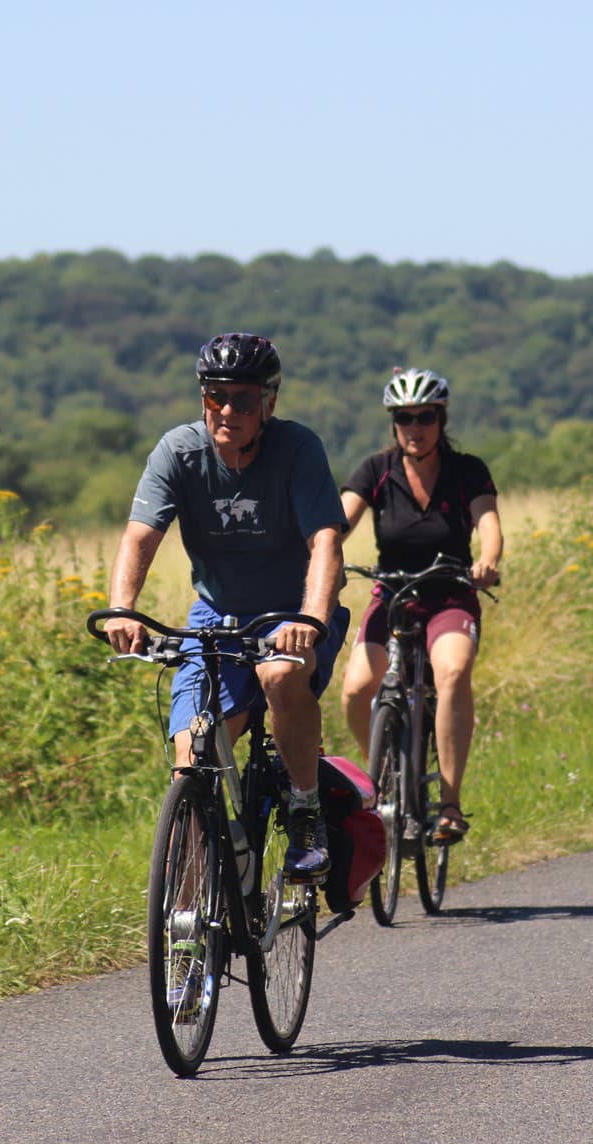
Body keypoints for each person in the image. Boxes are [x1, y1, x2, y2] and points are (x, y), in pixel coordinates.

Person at [104, 333, 350, 877]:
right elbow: (140, 536)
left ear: (269, 403)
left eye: (243, 399)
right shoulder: (178, 451)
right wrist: (122, 607)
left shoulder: (297, 449)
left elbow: (326, 543)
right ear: (203, 400)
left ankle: (306, 811)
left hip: (294, 610)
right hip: (218, 616)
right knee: (191, 765)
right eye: (217, 397)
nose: (228, 411)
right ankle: (190, 927)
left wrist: (310, 620)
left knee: (281, 675)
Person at [338, 368, 502, 845]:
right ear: (393, 422)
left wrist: (487, 561)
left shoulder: (467, 470)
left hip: (450, 591)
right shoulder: (376, 470)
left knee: (451, 671)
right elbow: (339, 521)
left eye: (426, 416)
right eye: (405, 417)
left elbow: (487, 523)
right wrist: (320, 552)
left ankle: (449, 804)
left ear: (440, 418)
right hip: (392, 593)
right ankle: (383, 773)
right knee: (355, 690)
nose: (415, 426)